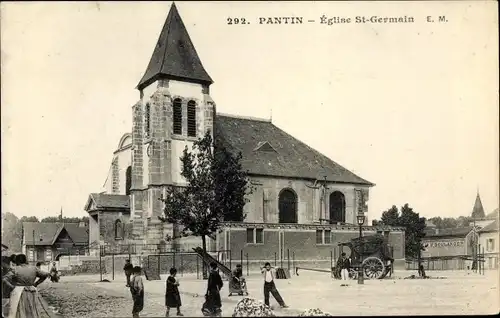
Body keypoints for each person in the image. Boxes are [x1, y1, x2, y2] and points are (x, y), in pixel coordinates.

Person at [2, 253, 55, 318]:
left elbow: (4, 279)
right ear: (25, 260)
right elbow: (45, 275)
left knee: (19, 308)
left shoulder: (16, 269)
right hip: (31, 290)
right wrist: (36, 283)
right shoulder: (34, 268)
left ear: (17, 261)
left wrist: (12, 286)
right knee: (31, 308)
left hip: (19, 292)